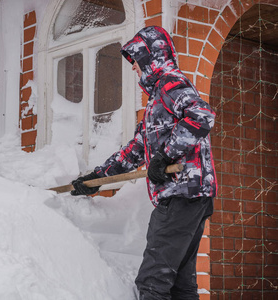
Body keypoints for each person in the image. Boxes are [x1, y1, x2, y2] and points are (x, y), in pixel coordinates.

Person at [71, 26, 217, 299]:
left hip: (181, 195)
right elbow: (136, 150)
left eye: (136, 61)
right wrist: (95, 179)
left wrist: (166, 155)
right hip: (191, 197)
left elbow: (202, 116)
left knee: (153, 282)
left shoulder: (171, 85)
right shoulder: (157, 100)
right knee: (180, 285)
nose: (133, 68)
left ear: (150, 57)